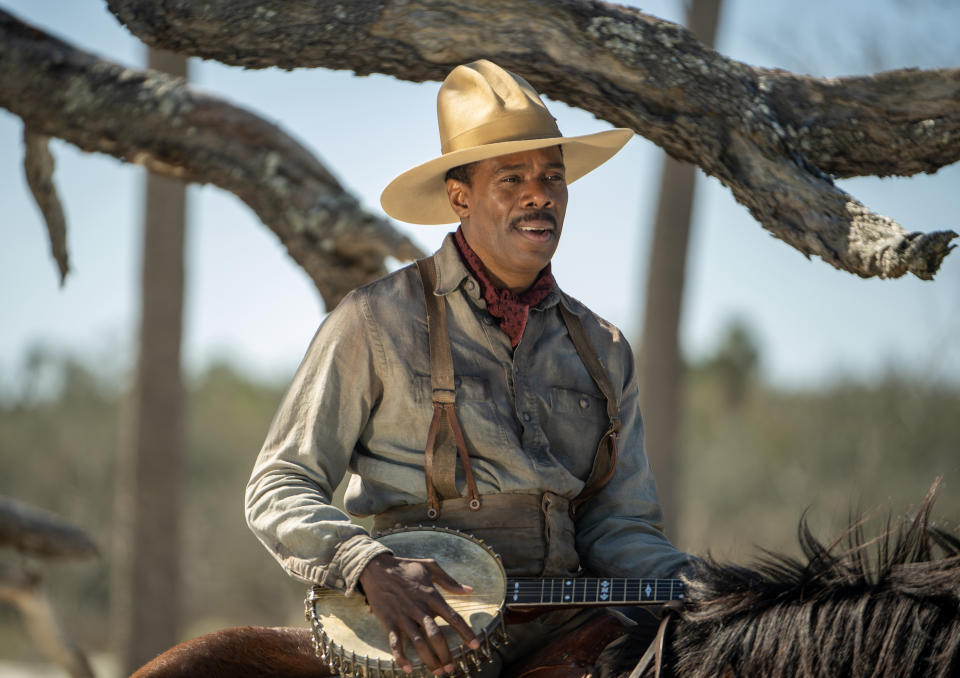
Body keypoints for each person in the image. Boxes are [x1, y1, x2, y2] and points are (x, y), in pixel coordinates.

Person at [245, 59, 691, 677]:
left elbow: (620, 526)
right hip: (419, 634)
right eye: (512, 178)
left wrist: (707, 586)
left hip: (567, 621)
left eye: (553, 178)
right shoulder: (374, 320)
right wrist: (367, 564)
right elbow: (278, 485)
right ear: (460, 196)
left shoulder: (603, 347)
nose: (540, 194)